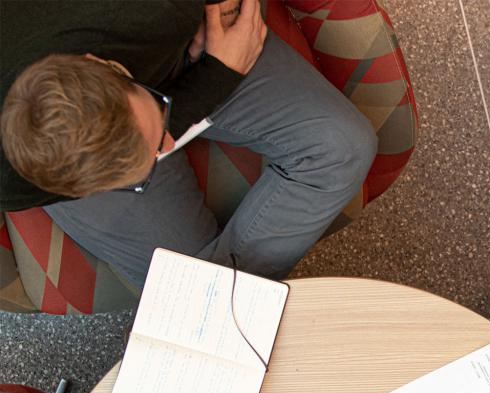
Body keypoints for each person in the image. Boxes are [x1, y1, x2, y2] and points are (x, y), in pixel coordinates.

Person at [0, 0, 377, 286]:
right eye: (143, 170)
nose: (166, 146)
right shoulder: (12, 184)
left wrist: (217, 67)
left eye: (157, 131)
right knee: (188, 281)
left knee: (342, 146)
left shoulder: (151, 12)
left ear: (103, 64)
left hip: (180, 43)